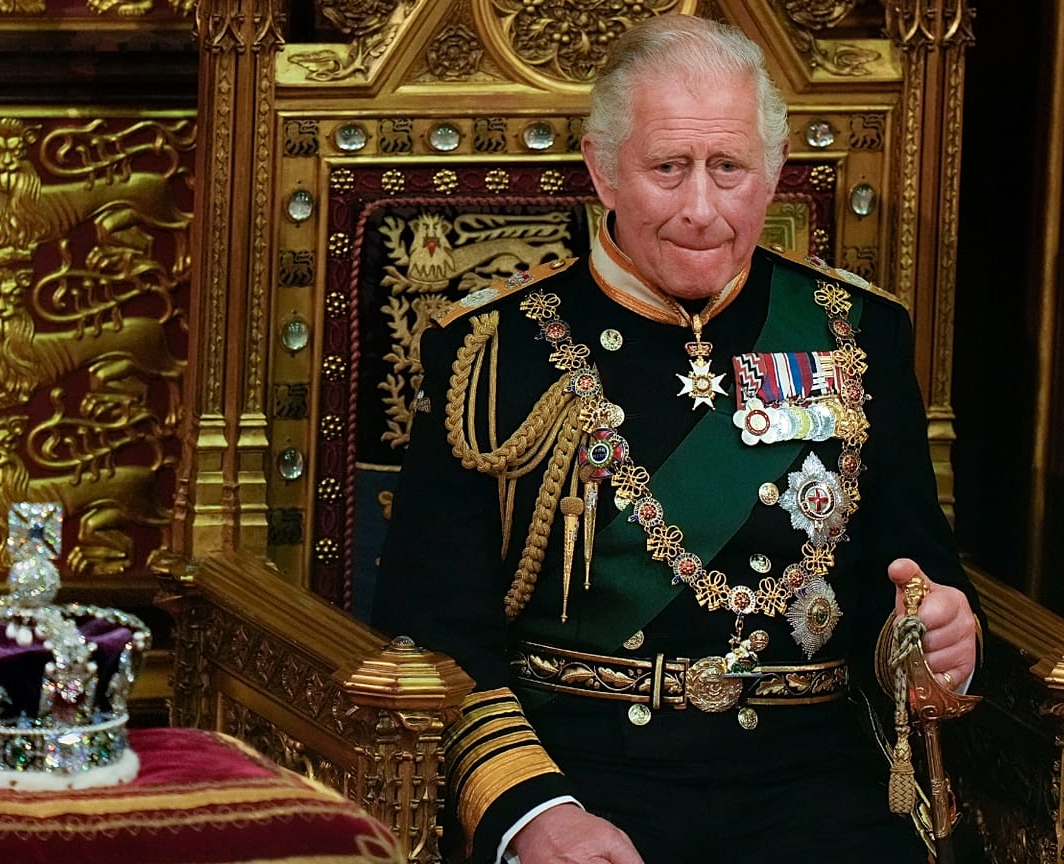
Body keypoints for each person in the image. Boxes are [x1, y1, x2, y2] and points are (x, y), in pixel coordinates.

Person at [372, 13, 982, 864]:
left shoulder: (858, 333)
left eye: (728, 168)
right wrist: (533, 813)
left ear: (772, 175)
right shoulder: (494, 349)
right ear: (602, 170)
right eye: (669, 168)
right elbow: (431, 625)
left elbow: (912, 567)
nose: (701, 209)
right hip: (583, 772)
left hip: (814, 781)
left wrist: (932, 633)